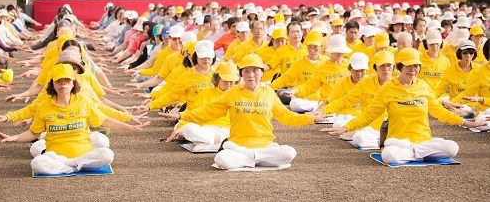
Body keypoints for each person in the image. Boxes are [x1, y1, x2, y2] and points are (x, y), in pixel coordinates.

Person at [160, 54, 325, 169]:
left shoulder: (268, 93)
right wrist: (181, 115)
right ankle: (258, 160)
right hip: (239, 145)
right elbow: (209, 111)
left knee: (290, 152)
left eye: (255, 70)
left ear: (261, 73)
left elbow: (287, 117)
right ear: (241, 74)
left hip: (265, 145)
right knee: (221, 158)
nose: (251, 75)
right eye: (246, 71)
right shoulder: (233, 93)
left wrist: (310, 118)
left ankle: (251, 159)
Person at [321, 48, 484, 164]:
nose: (413, 70)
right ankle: (420, 154)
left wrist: (464, 122)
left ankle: (414, 153)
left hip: (421, 140)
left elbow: (439, 112)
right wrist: (346, 127)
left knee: (452, 148)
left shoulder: (423, 86)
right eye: (409, 66)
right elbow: (369, 114)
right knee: (389, 155)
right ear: (399, 67)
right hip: (398, 140)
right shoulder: (388, 88)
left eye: (416, 66)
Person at [0, 64, 147, 175]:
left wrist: (130, 126)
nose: (63, 83)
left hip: (83, 153)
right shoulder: (45, 105)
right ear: (53, 84)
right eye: (59, 80)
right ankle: (73, 167)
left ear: (73, 83)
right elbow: (33, 132)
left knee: (107, 154)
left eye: (67, 80)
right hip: (56, 155)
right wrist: (14, 137)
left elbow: (105, 119)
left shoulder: (83, 100)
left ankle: (69, 165)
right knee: (37, 163)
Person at [164, 62, 239, 150]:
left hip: (230, 130)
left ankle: (211, 143)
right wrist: (181, 128)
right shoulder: (205, 93)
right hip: (208, 129)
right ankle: (221, 142)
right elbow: (193, 113)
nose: (229, 84)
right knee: (188, 129)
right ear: (218, 79)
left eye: (231, 81)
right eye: (225, 80)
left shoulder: (240, 94)